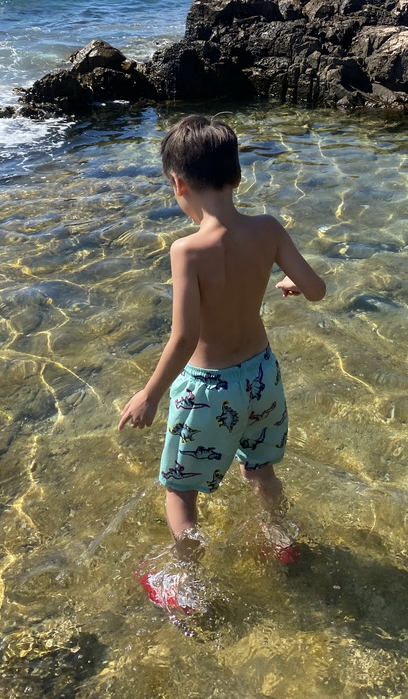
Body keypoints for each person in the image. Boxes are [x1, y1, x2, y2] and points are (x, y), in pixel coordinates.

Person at [118, 114, 325, 613]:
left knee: (181, 493)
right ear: (237, 176)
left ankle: (185, 587)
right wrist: (292, 284)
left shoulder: (186, 250)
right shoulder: (269, 229)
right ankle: (281, 542)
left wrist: (150, 394)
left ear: (178, 183)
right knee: (261, 469)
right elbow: (316, 290)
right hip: (262, 377)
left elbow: (185, 335)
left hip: (209, 391)